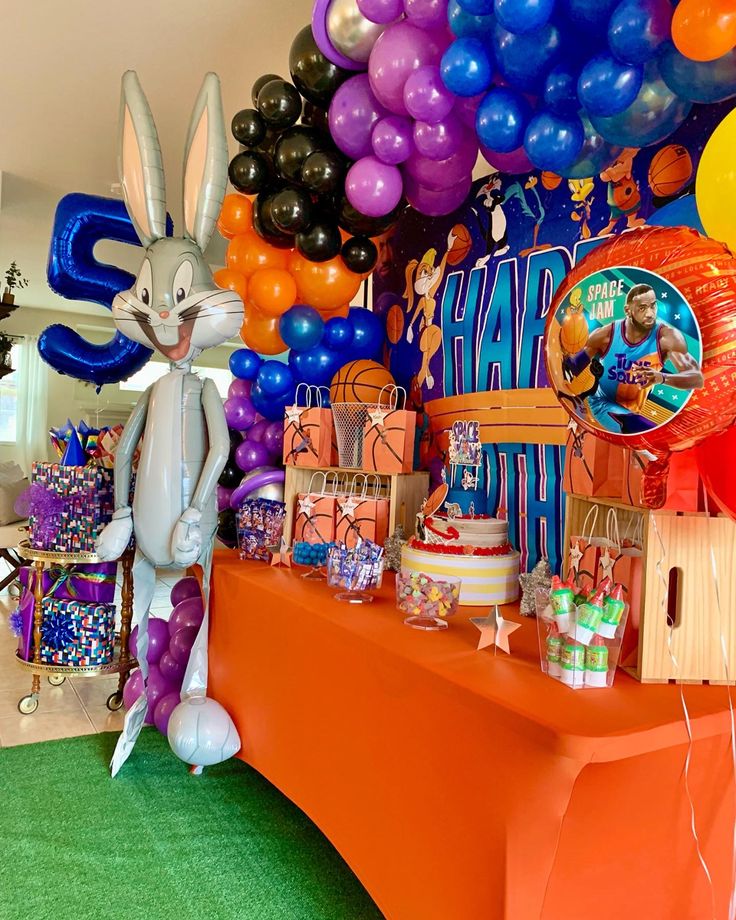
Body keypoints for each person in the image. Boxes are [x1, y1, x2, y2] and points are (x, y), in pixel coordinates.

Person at [563, 283, 704, 434]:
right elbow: (572, 367)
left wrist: (662, 378)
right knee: (645, 430)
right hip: (604, 403)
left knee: (647, 433)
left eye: (653, 306)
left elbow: (697, 379)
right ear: (627, 310)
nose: (650, 313)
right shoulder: (606, 335)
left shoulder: (667, 337)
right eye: (642, 308)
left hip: (634, 411)